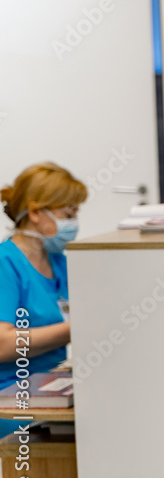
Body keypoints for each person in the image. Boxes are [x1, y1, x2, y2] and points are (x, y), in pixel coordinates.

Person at [0, 163, 87, 437]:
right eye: (68, 213)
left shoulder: (59, 262)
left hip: (53, 386)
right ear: (36, 212)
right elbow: (2, 344)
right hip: (11, 397)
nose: (73, 223)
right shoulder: (6, 263)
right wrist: (78, 328)